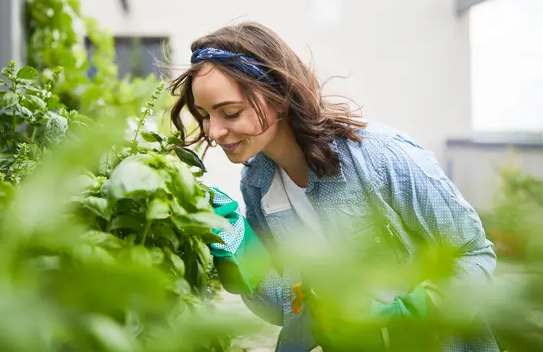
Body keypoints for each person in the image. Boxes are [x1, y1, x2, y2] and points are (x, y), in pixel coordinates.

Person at [169, 22, 498, 352]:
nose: (214, 131)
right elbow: (286, 308)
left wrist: (410, 312)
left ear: (278, 97)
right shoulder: (257, 183)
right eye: (205, 115)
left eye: (230, 113)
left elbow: (474, 256)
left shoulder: (380, 156)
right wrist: (239, 244)